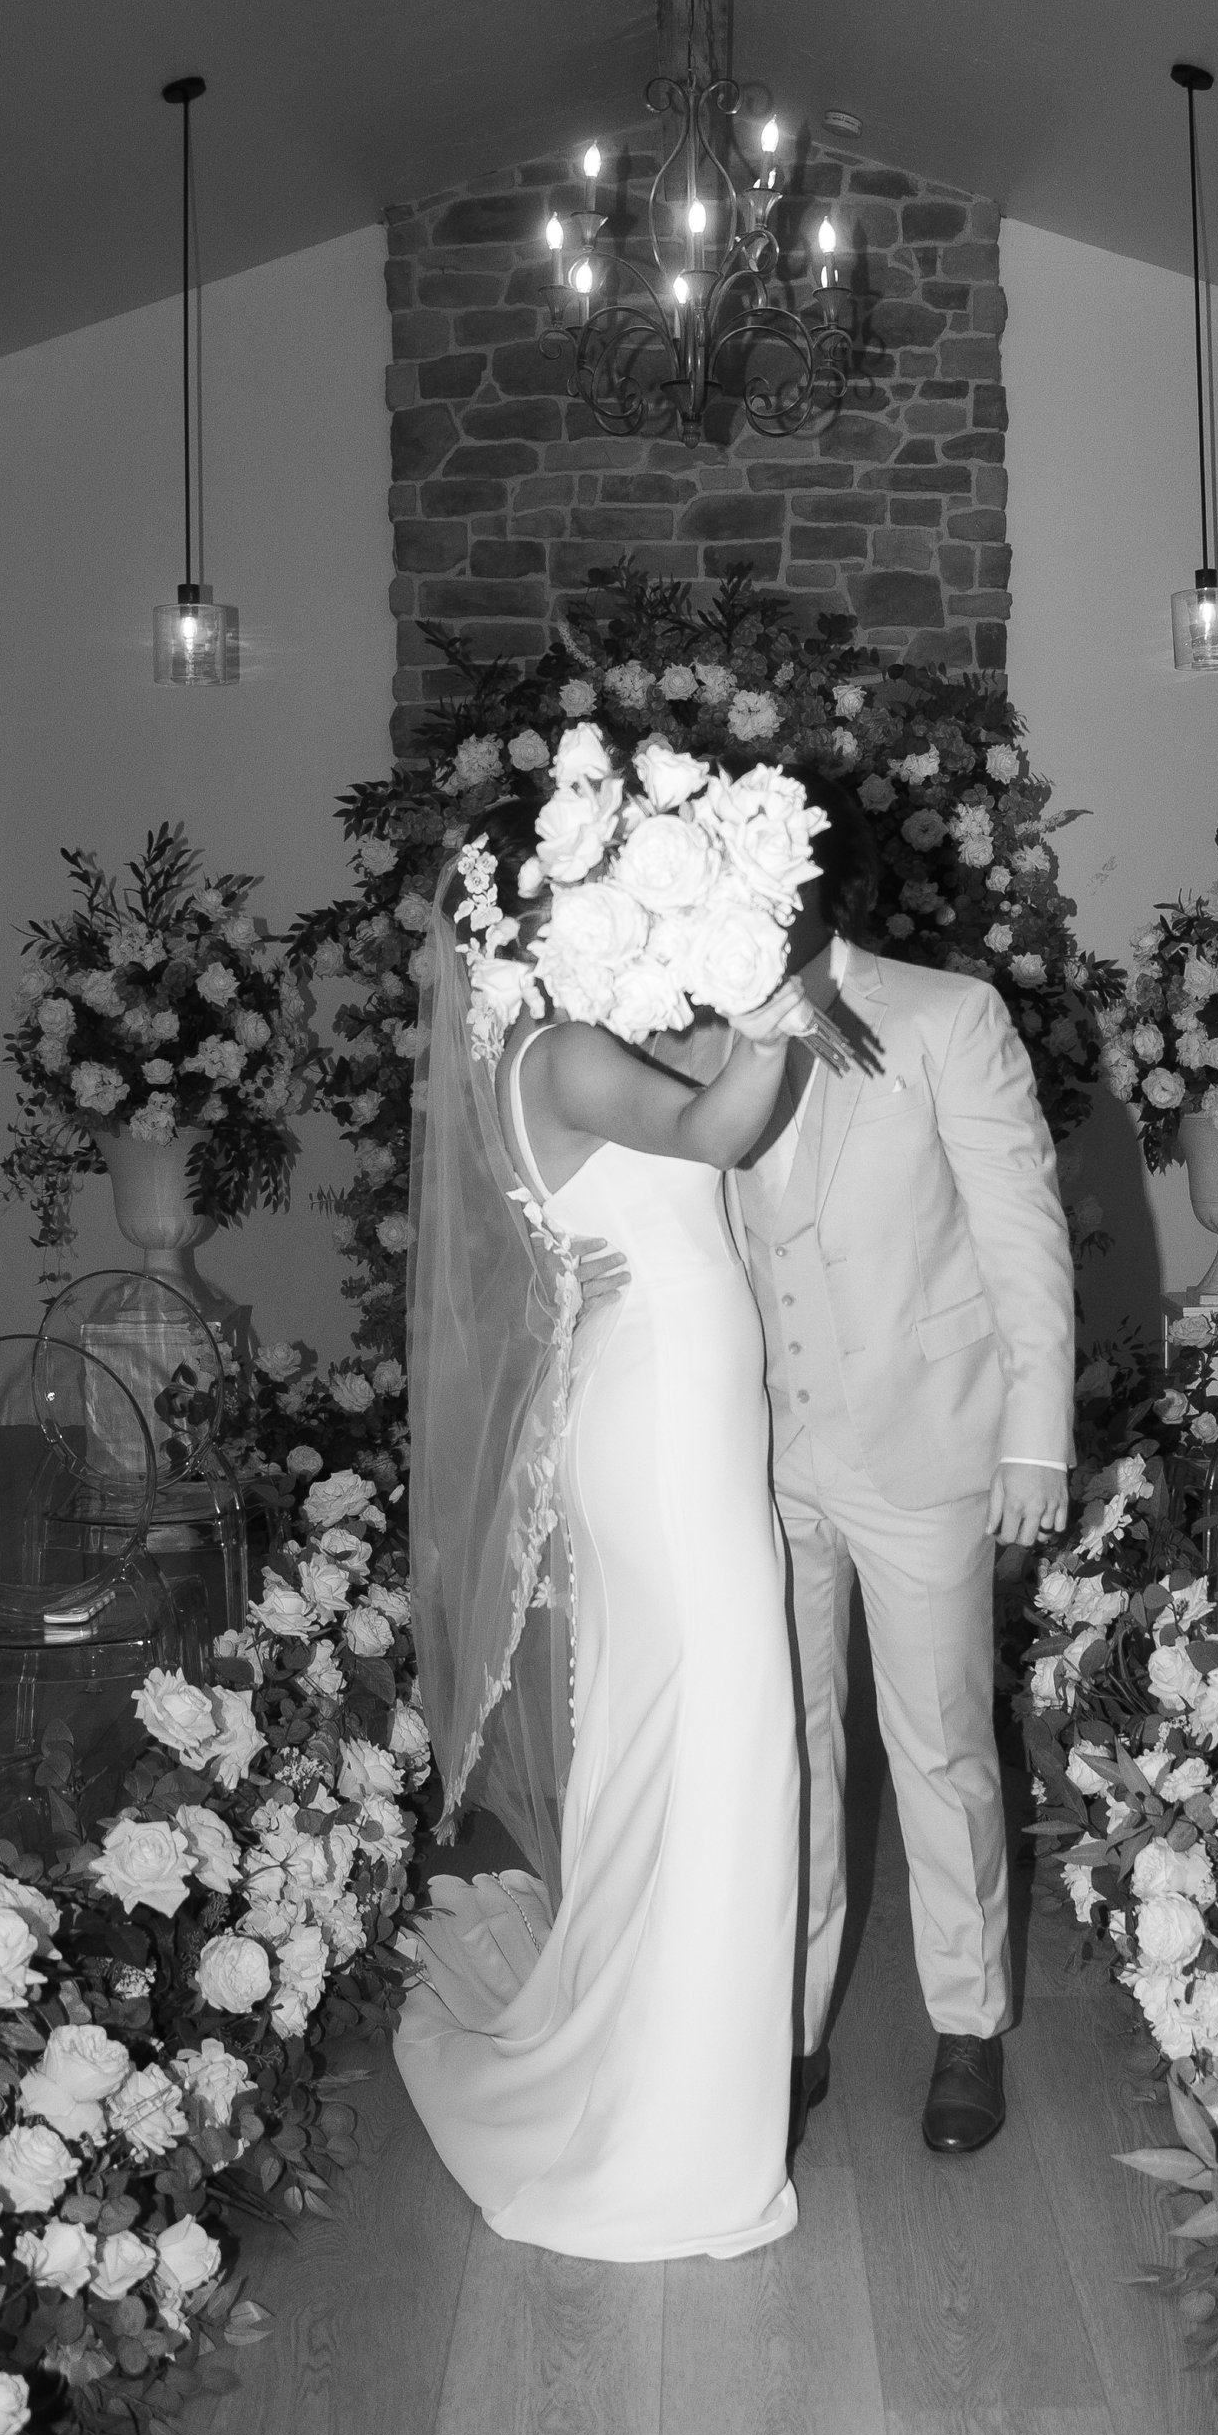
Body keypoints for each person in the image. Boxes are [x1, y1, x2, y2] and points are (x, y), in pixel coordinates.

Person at [394, 847, 865, 2263]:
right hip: (662, 1429)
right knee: (725, 1743)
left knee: (680, 1744)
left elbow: (702, 1117)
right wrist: (784, 1003)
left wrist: (742, 1003)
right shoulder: (566, 1054)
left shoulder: (562, 1051)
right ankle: (667, 2137)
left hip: (666, 1417)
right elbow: (723, 1133)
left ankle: (667, 2084)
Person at [735, 805, 1077, 2158]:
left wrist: (1035, 1434)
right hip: (762, 1450)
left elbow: (1021, 1229)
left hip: (923, 1439)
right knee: (791, 1747)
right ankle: (797, 2024)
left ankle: (968, 2020)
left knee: (936, 1742)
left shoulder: (947, 1013)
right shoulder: (691, 1022)